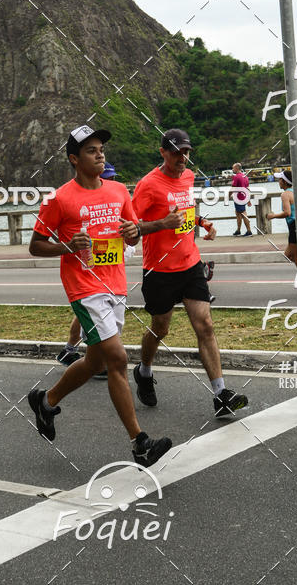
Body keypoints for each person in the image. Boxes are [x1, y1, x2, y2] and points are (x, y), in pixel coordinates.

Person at [28, 125, 172, 467]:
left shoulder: (120, 190)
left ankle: (45, 402)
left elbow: (133, 234)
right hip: (84, 287)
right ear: (74, 160)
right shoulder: (59, 199)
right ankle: (140, 443)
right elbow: (35, 246)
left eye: (101, 148)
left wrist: (133, 231)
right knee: (118, 360)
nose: (100, 154)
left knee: (96, 361)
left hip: (115, 285)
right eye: (92, 150)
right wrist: (66, 246)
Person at [131, 128, 248, 419]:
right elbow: (130, 230)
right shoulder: (147, 185)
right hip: (159, 270)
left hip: (190, 264)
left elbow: (185, 209)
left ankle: (221, 394)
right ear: (163, 153)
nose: (182, 157)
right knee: (161, 328)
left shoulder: (188, 177)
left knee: (205, 325)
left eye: (186, 152)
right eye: (176, 152)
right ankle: (144, 371)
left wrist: (202, 222)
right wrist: (161, 224)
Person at [58, 161, 118, 380]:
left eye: (113, 178)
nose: (111, 181)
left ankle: (71, 351)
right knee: (115, 355)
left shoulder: (117, 196)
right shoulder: (77, 200)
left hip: (111, 275)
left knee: (91, 317)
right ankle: (78, 353)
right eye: (108, 177)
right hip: (86, 276)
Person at [267, 170, 297, 270]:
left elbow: (287, 213)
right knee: (289, 255)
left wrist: (273, 216)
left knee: (293, 256)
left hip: (294, 226)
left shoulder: (285, 195)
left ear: (284, 182)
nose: (278, 182)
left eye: (280, 180)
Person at [231, 162, 253, 236]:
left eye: (233, 168)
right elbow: (247, 189)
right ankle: (238, 230)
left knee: (243, 214)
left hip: (239, 198)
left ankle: (249, 231)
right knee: (238, 214)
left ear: (237, 168)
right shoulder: (245, 176)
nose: (232, 169)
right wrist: (248, 199)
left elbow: (233, 188)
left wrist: (227, 196)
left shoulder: (236, 177)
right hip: (244, 197)